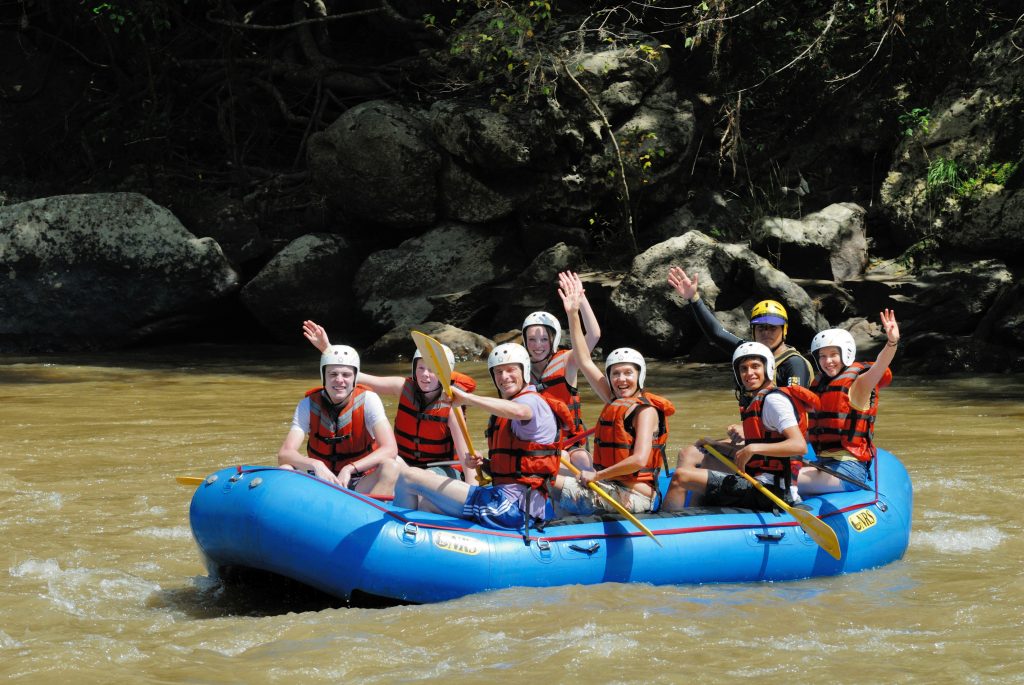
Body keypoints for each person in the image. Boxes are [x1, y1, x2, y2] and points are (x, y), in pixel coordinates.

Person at [393, 343, 576, 532]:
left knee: (409, 476)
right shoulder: (513, 403)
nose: (504, 377)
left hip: (511, 508)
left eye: (510, 370)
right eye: (498, 372)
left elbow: (520, 411)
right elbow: (516, 467)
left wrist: (467, 399)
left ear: (524, 371)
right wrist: (486, 464)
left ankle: (396, 536)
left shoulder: (531, 401)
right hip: (508, 502)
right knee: (426, 506)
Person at [667, 265, 815, 470]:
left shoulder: (794, 365)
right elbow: (716, 334)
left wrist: (748, 432)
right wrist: (694, 299)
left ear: (784, 330)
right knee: (694, 448)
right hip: (758, 437)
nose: (766, 333)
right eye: (761, 328)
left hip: (781, 445)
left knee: (698, 458)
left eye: (773, 328)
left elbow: (797, 416)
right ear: (753, 331)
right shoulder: (749, 353)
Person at [553, 272, 675, 514]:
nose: (621, 379)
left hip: (636, 498)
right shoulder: (614, 399)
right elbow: (584, 359)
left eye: (627, 373)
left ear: (639, 375)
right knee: (551, 465)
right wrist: (573, 313)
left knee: (546, 478)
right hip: (610, 485)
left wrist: (597, 475)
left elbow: (640, 460)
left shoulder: (645, 411)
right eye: (615, 374)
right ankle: (565, 530)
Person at [302, 320, 479, 482]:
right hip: (402, 462)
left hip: (440, 469)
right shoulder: (402, 387)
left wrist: (472, 493)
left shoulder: (452, 408)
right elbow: (354, 376)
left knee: (420, 477)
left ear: (445, 373)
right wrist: (328, 350)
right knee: (386, 464)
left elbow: (466, 456)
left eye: (432, 370)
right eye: (421, 368)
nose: (425, 375)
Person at [663, 342, 817, 512]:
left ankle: (667, 526)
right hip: (759, 482)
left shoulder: (774, 401)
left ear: (768, 368)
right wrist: (716, 445)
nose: (749, 373)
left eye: (755, 366)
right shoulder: (758, 399)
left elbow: (799, 445)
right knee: (708, 460)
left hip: (772, 492)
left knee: (680, 476)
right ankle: (694, 516)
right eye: (743, 369)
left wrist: (752, 448)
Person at [799, 310, 900, 495]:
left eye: (833, 355)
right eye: (822, 356)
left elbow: (879, 367)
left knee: (784, 478)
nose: (827, 361)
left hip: (848, 471)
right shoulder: (820, 385)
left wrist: (891, 343)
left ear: (846, 353)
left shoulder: (859, 384)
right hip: (822, 463)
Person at [277, 344, 400, 496]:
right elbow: (284, 454)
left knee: (391, 467)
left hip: (359, 479)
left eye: (346, 375)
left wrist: (350, 468)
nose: (339, 380)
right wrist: (316, 465)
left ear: (355, 377)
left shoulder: (369, 400)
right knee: (285, 469)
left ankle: (373, 514)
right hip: (322, 478)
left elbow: (390, 449)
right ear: (324, 376)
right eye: (333, 374)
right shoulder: (308, 404)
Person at [520, 271, 601, 467]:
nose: (537, 345)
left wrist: (580, 300)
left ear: (553, 340)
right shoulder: (519, 368)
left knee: (579, 458)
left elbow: (593, 334)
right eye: (532, 339)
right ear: (524, 340)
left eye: (543, 339)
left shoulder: (568, 361)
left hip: (569, 443)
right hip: (535, 442)